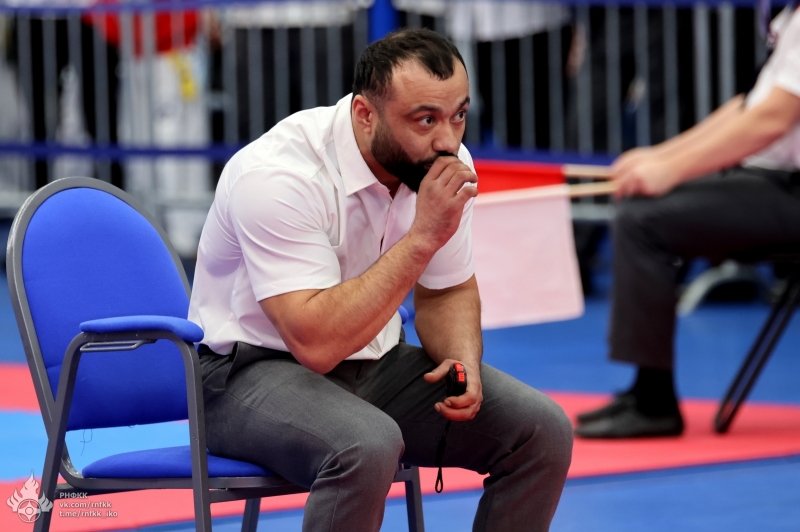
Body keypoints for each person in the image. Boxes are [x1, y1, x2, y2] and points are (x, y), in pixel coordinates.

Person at [188, 28, 572, 531]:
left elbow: (448, 290)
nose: (448, 141)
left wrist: (462, 359)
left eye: (459, 115)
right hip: (244, 374)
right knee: (365, 445)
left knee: (541, 431)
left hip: (373, 364)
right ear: (366, 114)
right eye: (425, 120)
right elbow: (316, 343)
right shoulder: (278, 175)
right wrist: (423, 238)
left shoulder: (439, 162)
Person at [574, 4, 800, 439]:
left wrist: (672, 170)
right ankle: (646, 390)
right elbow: (747, 106)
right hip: (774, 181)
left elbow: (774, 118)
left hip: (789, 189)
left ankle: (654, 400)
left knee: (643, 220)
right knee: (642, 208)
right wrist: (662, 156)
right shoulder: (789, 17)